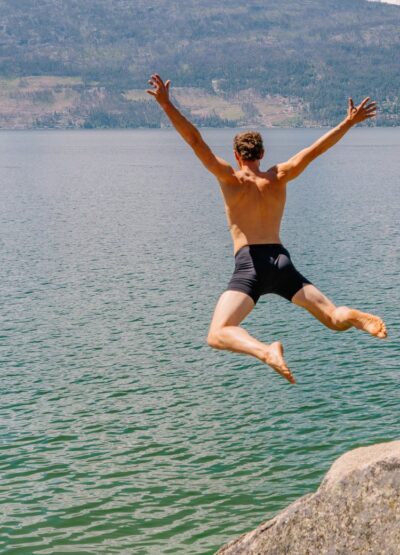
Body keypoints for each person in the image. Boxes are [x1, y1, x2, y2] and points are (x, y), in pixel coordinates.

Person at [147, 74, 387, 384]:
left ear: (237, 155)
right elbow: (314, 151)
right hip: (281, 261)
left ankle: (266, 351)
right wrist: (348, 122)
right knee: (333, 318)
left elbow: (196, 141)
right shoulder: (279, 176)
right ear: (262, 154)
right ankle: (350, 314)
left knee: (218, 333)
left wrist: (167, 105)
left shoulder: (230, 179)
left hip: (250, 265)